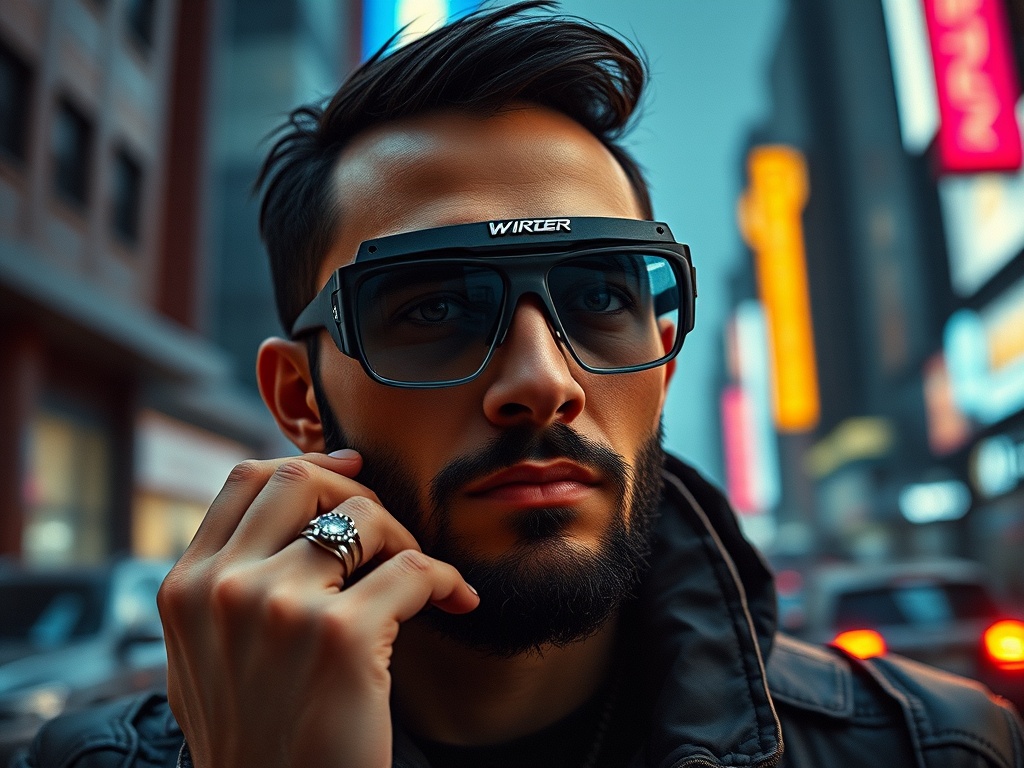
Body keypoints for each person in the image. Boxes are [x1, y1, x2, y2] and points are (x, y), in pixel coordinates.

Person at [17, 3, 1024, 767]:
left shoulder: (939, 749)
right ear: (297, 398)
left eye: (598, 296)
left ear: (666, 356)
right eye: (433, 310)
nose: (542, 384)